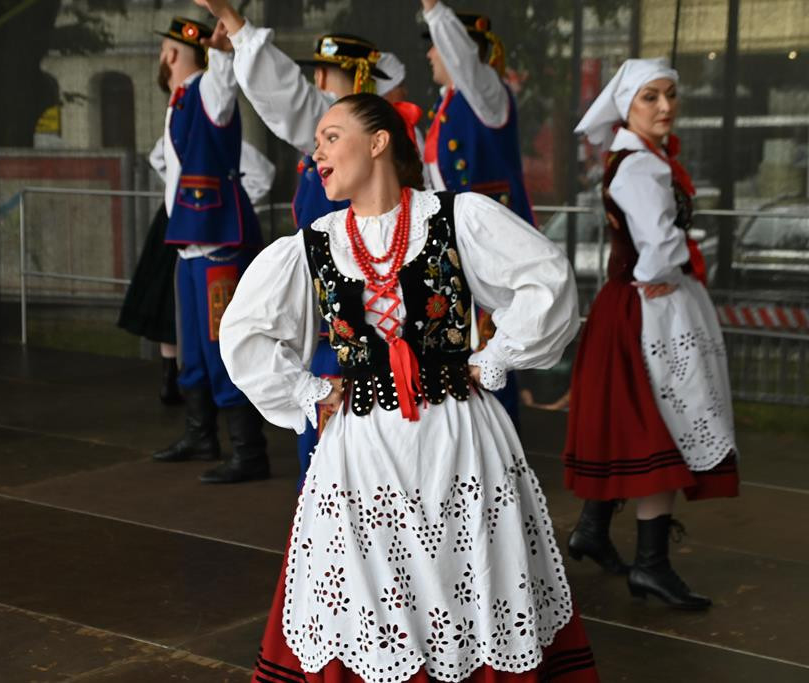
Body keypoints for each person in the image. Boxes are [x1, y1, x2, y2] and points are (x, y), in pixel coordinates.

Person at [220, 94, 598, 683]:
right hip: (363, 447)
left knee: (464, 578)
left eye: (330, 136)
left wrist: (494, 356)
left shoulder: (457, 216)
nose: (316, 152)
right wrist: (307, 391)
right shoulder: (314, 244)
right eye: (316, 141)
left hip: (458, 435)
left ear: (378, 142)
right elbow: (243, 332)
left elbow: (546, 281)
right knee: (373, 598)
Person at [563, 58, 739, 610]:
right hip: (650, 310)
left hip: (633, 305)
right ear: (628, 106)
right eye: (650, 98)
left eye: (669, 95)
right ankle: (651, 567)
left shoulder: (640, 158)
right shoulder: (641, 167)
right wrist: (655, 274)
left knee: (633, 425)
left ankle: (597, 531)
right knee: (661, 430)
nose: (665, 106)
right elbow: (659, 247)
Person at [194, 0, 392, 488]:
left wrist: (238, 26)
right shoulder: (325, 145)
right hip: (331, 339)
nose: (319, 84)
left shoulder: (363, 144)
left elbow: (289, 101)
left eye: (328, 74)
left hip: (374, 342)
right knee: (329, 479)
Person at [147, 16, 269, 484]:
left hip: (217, 241)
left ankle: (249, 449)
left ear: (175, 53)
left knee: (224, 346)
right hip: (190, 242)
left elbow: (222, 88)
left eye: (164, 48)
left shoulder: (207, 90)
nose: (161, 56)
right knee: (194, 349)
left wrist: (220, 53)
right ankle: (201, 434)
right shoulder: (178, 101)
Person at [419, 0, 535, 427]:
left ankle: (503, 449)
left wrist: (434, 10)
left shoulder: (488, 93)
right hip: (455, 246)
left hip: (489, 245)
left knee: (490, 347)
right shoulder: (446, 104)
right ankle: (470, 440)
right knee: (459, 344)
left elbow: (467, 64)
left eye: (436, 45)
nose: (431, 54)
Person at [117, 137, 274, 406]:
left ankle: (224, 400)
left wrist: (229, 201)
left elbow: (262, 174)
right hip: (182, 225)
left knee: (218, 324)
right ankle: (182, 390)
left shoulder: (217, 138)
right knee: (180, 311)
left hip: (213, 233)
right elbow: (158, 157)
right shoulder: (178, 131)